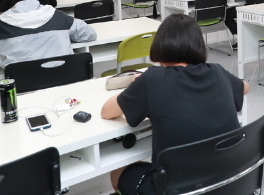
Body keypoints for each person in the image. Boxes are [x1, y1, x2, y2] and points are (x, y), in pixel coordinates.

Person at [101, 14, 249, 195]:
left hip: (174, 188)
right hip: (227, 184)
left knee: (118, 171)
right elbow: (245, 88)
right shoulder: (218, 71)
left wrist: (136, 87)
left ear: (160, 45)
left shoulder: (152, 79)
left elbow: (107, 112)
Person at [0, 0, 96, 69]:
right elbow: (89, 35)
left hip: (23, 87)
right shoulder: (58, 16)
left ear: (7, 11)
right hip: (66, 78)